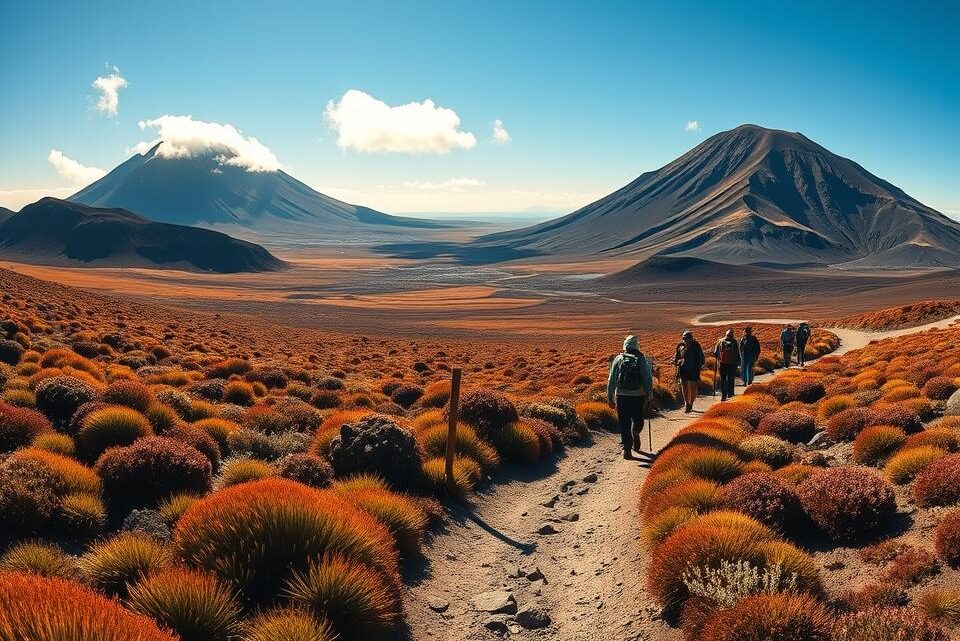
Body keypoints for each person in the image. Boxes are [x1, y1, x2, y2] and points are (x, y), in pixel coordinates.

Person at [607, 334, 653, 459]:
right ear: (637, 346)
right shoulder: (641, 359)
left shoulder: (618, 358)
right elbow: (647, 379)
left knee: (624, 422)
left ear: (625, 346)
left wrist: (610, 397)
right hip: (638, 395)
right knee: (638, 418)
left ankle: (627, 449)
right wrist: (650, 396)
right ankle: (636, 431)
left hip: (621, 395)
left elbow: (612, 379)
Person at [674, 330, 705, 413]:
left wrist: (699, 366)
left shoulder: (696, 346)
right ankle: (686, 404)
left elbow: (701, 358)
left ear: (691, 339)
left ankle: (690, 403)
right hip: (683, 370)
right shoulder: (680, 346)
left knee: (692, 387)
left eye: (686, 338)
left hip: (693, 370)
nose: (685, 340)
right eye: (684, 338)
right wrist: (677, 362)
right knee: (684, 386)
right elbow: (676, 357)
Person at [714, 329, 741, 401]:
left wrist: (718, 358)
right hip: (732, 364)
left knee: (723, 379)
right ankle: (730, 394)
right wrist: (738, 362)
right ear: (732, 335)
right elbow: (738, 353)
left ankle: (723, 395)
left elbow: (715, 353)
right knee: (731, 379)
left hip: (722, 364)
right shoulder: (734, 342)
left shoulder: (720, 341)